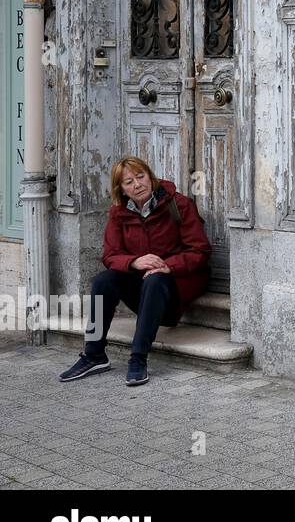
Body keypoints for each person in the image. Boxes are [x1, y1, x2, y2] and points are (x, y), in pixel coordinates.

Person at [58, 156, 211, 386]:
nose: (137, 185)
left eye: (141, 177)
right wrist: (135, 262)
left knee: (156, 278)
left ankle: (138, 359)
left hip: (174, 288)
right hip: (142, 288)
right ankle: (94, 354)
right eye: (129, 182)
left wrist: (169, 266)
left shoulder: (178, 204)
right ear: (121, 188)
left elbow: (200, 250)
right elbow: (110, 256)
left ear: (150, 177)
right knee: (103, 281)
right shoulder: (119, 213)